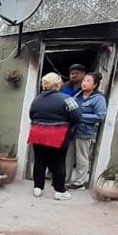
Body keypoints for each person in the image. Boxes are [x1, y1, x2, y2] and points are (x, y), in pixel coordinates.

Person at [28, 72, 82, 200]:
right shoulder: (67, 99)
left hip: (38, 133)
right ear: (58, 84)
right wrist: (71, 129)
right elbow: (78, 117)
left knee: (39, 160)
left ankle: (37, 188)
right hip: (58, 134)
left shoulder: (36, 99)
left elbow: (31, 115)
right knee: (59, 163)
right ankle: (59, 191)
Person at [67, 72, 107, 189]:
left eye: (88, 81)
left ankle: (79, 183)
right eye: (84, 80)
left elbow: (100, 116)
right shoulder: (77, 95)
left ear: (95, 85)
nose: (84, 83)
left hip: (85, 132)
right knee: (68, 156)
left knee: (81, 158)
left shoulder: (99, 99)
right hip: (72, 130)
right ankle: (65, 179)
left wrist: (80, 116)